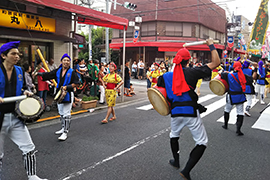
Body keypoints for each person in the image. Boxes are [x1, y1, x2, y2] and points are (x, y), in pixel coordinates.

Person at [156, 39, 220, 180]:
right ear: (188, 61)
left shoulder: (165, 76)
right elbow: (216, 63)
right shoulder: (193, 72)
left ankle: (176, 161)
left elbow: (158, 89)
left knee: (174, 135)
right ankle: (186, 171)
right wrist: (210, 44)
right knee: (202, 142)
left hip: (175, 113)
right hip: (190, 112)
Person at [0, 41, 47, 180]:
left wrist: (25, 92)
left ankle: (32, 176)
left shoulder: (19, 71)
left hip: (15, 117)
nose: (17, 56)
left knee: (29, 148)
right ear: (3, 55)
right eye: (13, 53)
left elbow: (20, 88)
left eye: (18, 53)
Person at [37, 53, 79, 141]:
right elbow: (49, 74)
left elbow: (76, 83)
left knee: (66, 113)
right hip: (59, 93)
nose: (66, 62)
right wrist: (39, 73)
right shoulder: (58, 71)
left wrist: (67, 87)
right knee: (61, 112)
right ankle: (63, 128)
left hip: (67, 93)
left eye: (68, 60)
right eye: (65, 60)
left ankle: (65, 132)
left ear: (69, 62)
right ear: (61, 61)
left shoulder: (72, 72)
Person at [220, 61, 255, 136]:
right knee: (240, 112)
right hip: (240, 96)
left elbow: (221, 74)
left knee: (227, 110)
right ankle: (238, 130)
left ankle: (225, 125)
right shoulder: (244, 76)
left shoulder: (228, 75)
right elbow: (252, 79)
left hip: (231, 95)